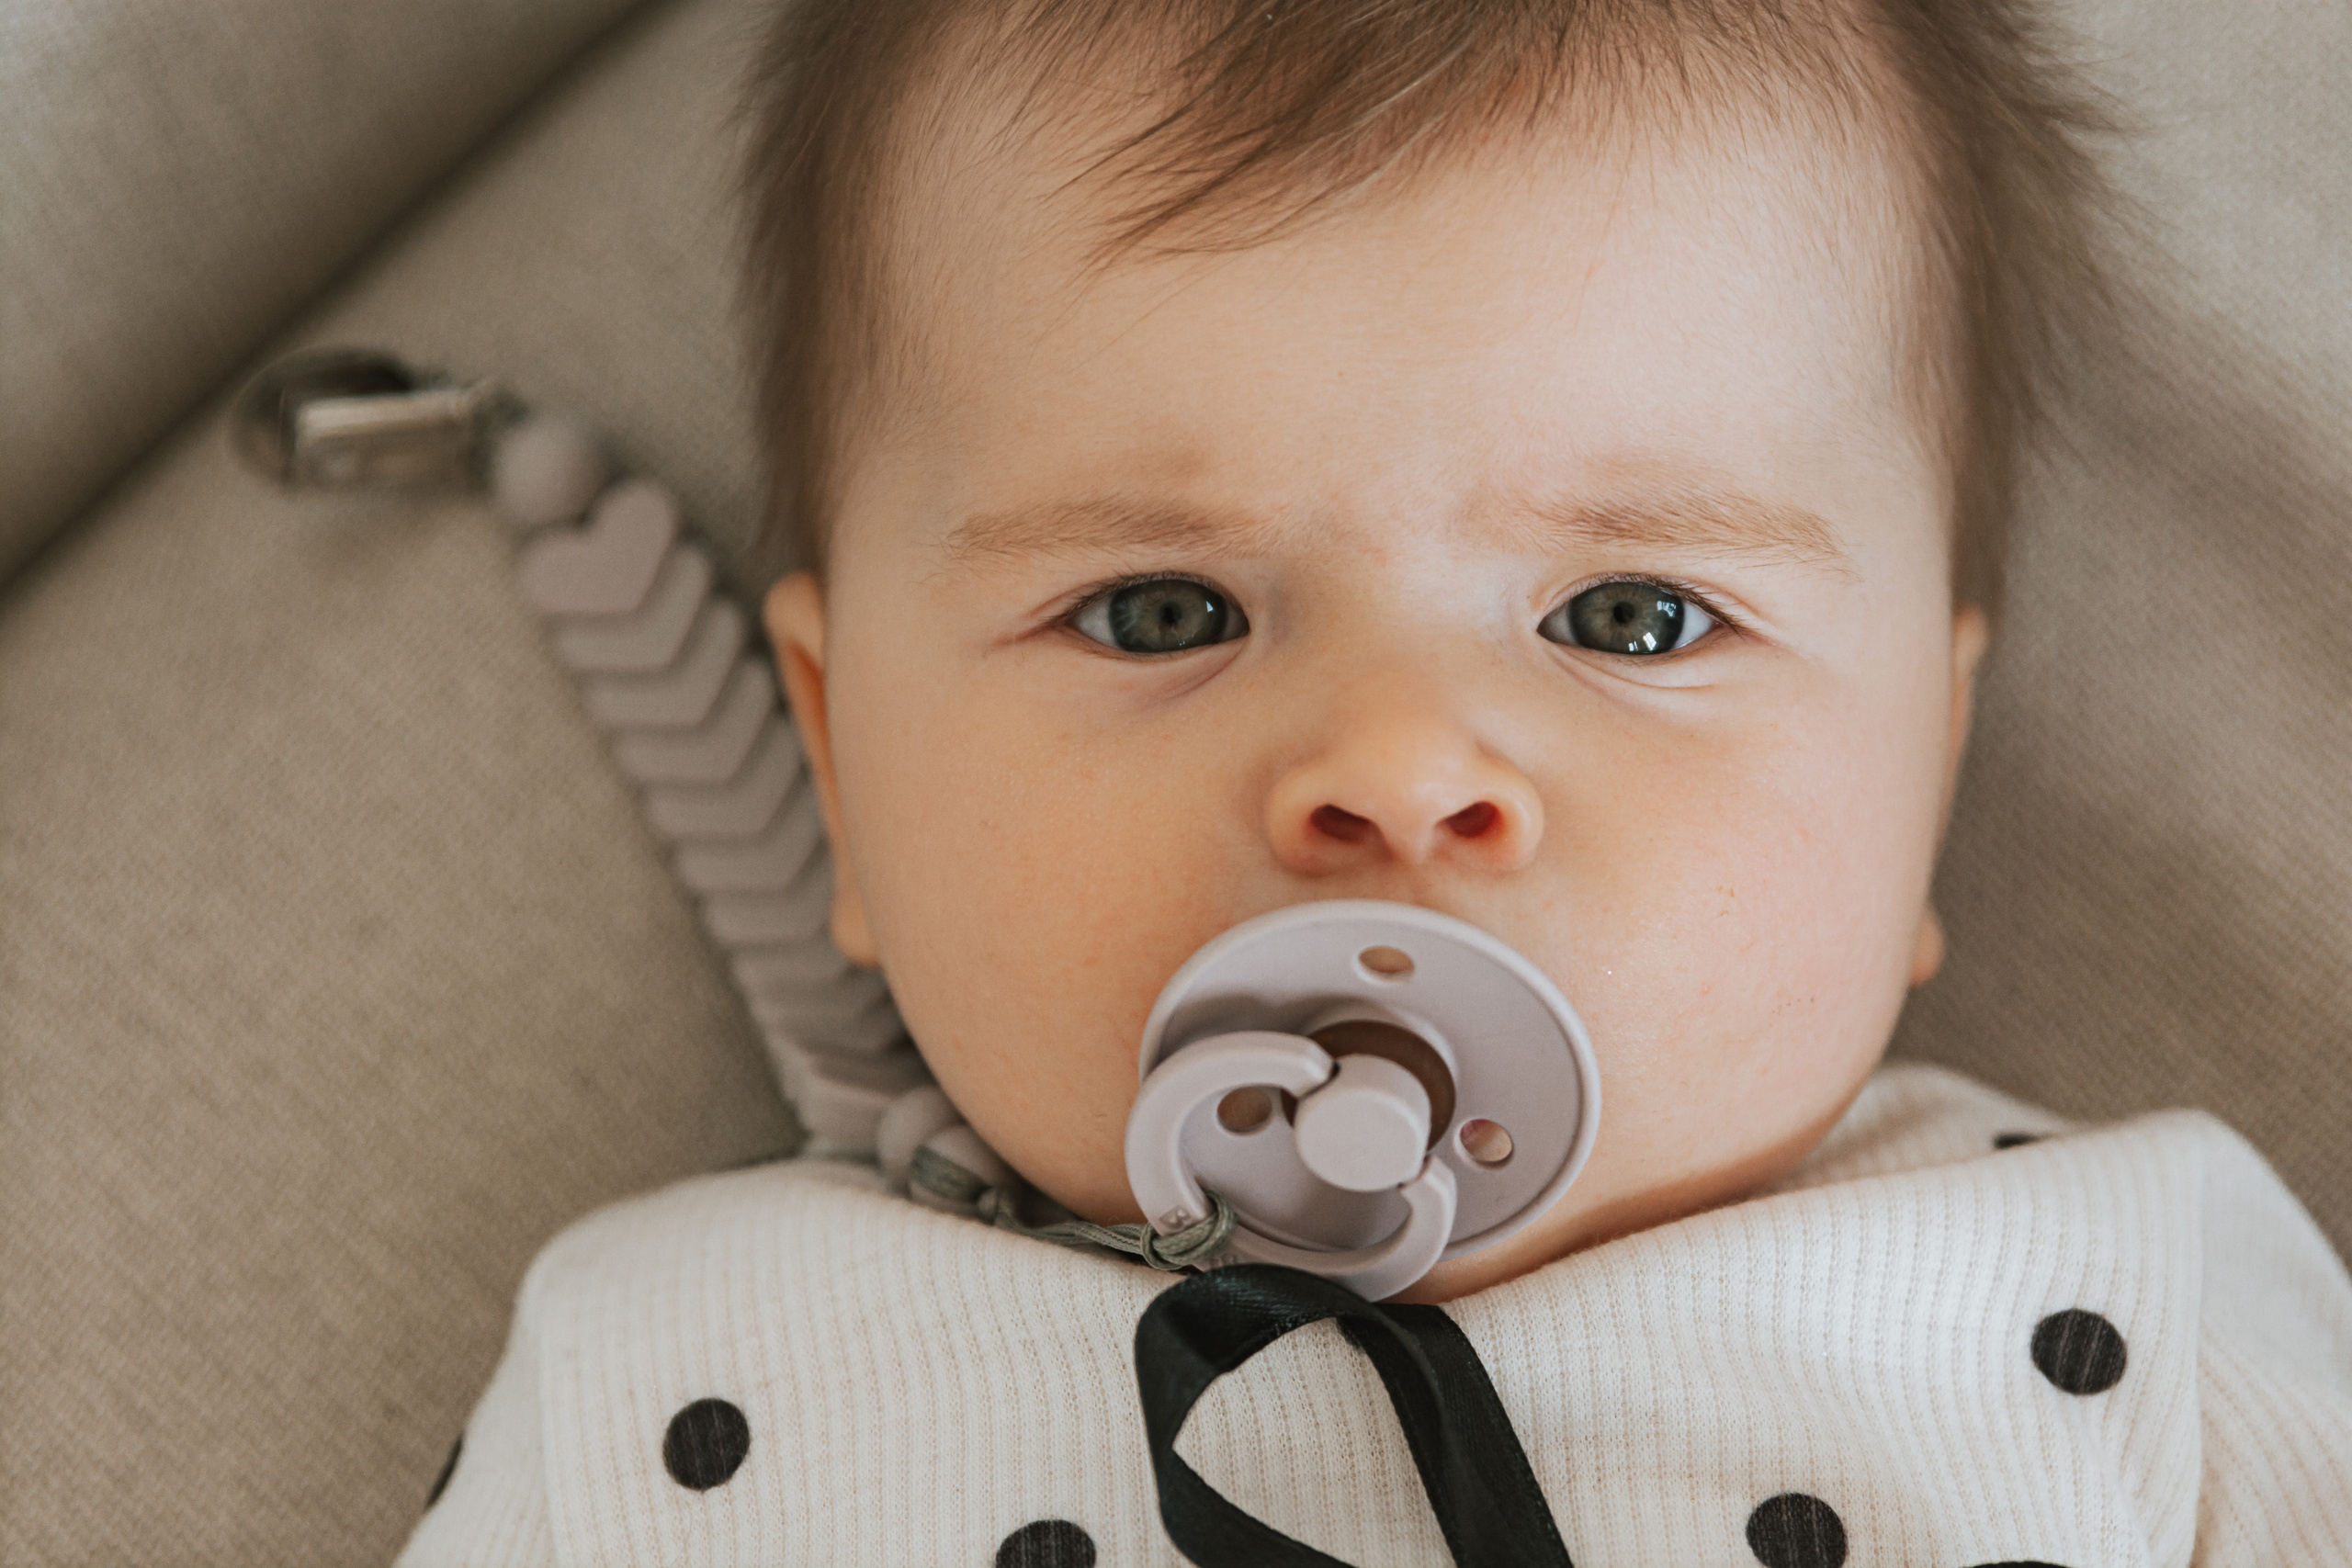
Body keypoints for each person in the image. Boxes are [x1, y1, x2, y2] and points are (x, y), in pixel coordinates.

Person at [400, 1, 2352, 1562]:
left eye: (1638, 617)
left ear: (1926, 769)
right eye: (1158, 609)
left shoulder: (2131, 1293)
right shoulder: (669, 1367)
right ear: (835, 766)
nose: (1399, 769)